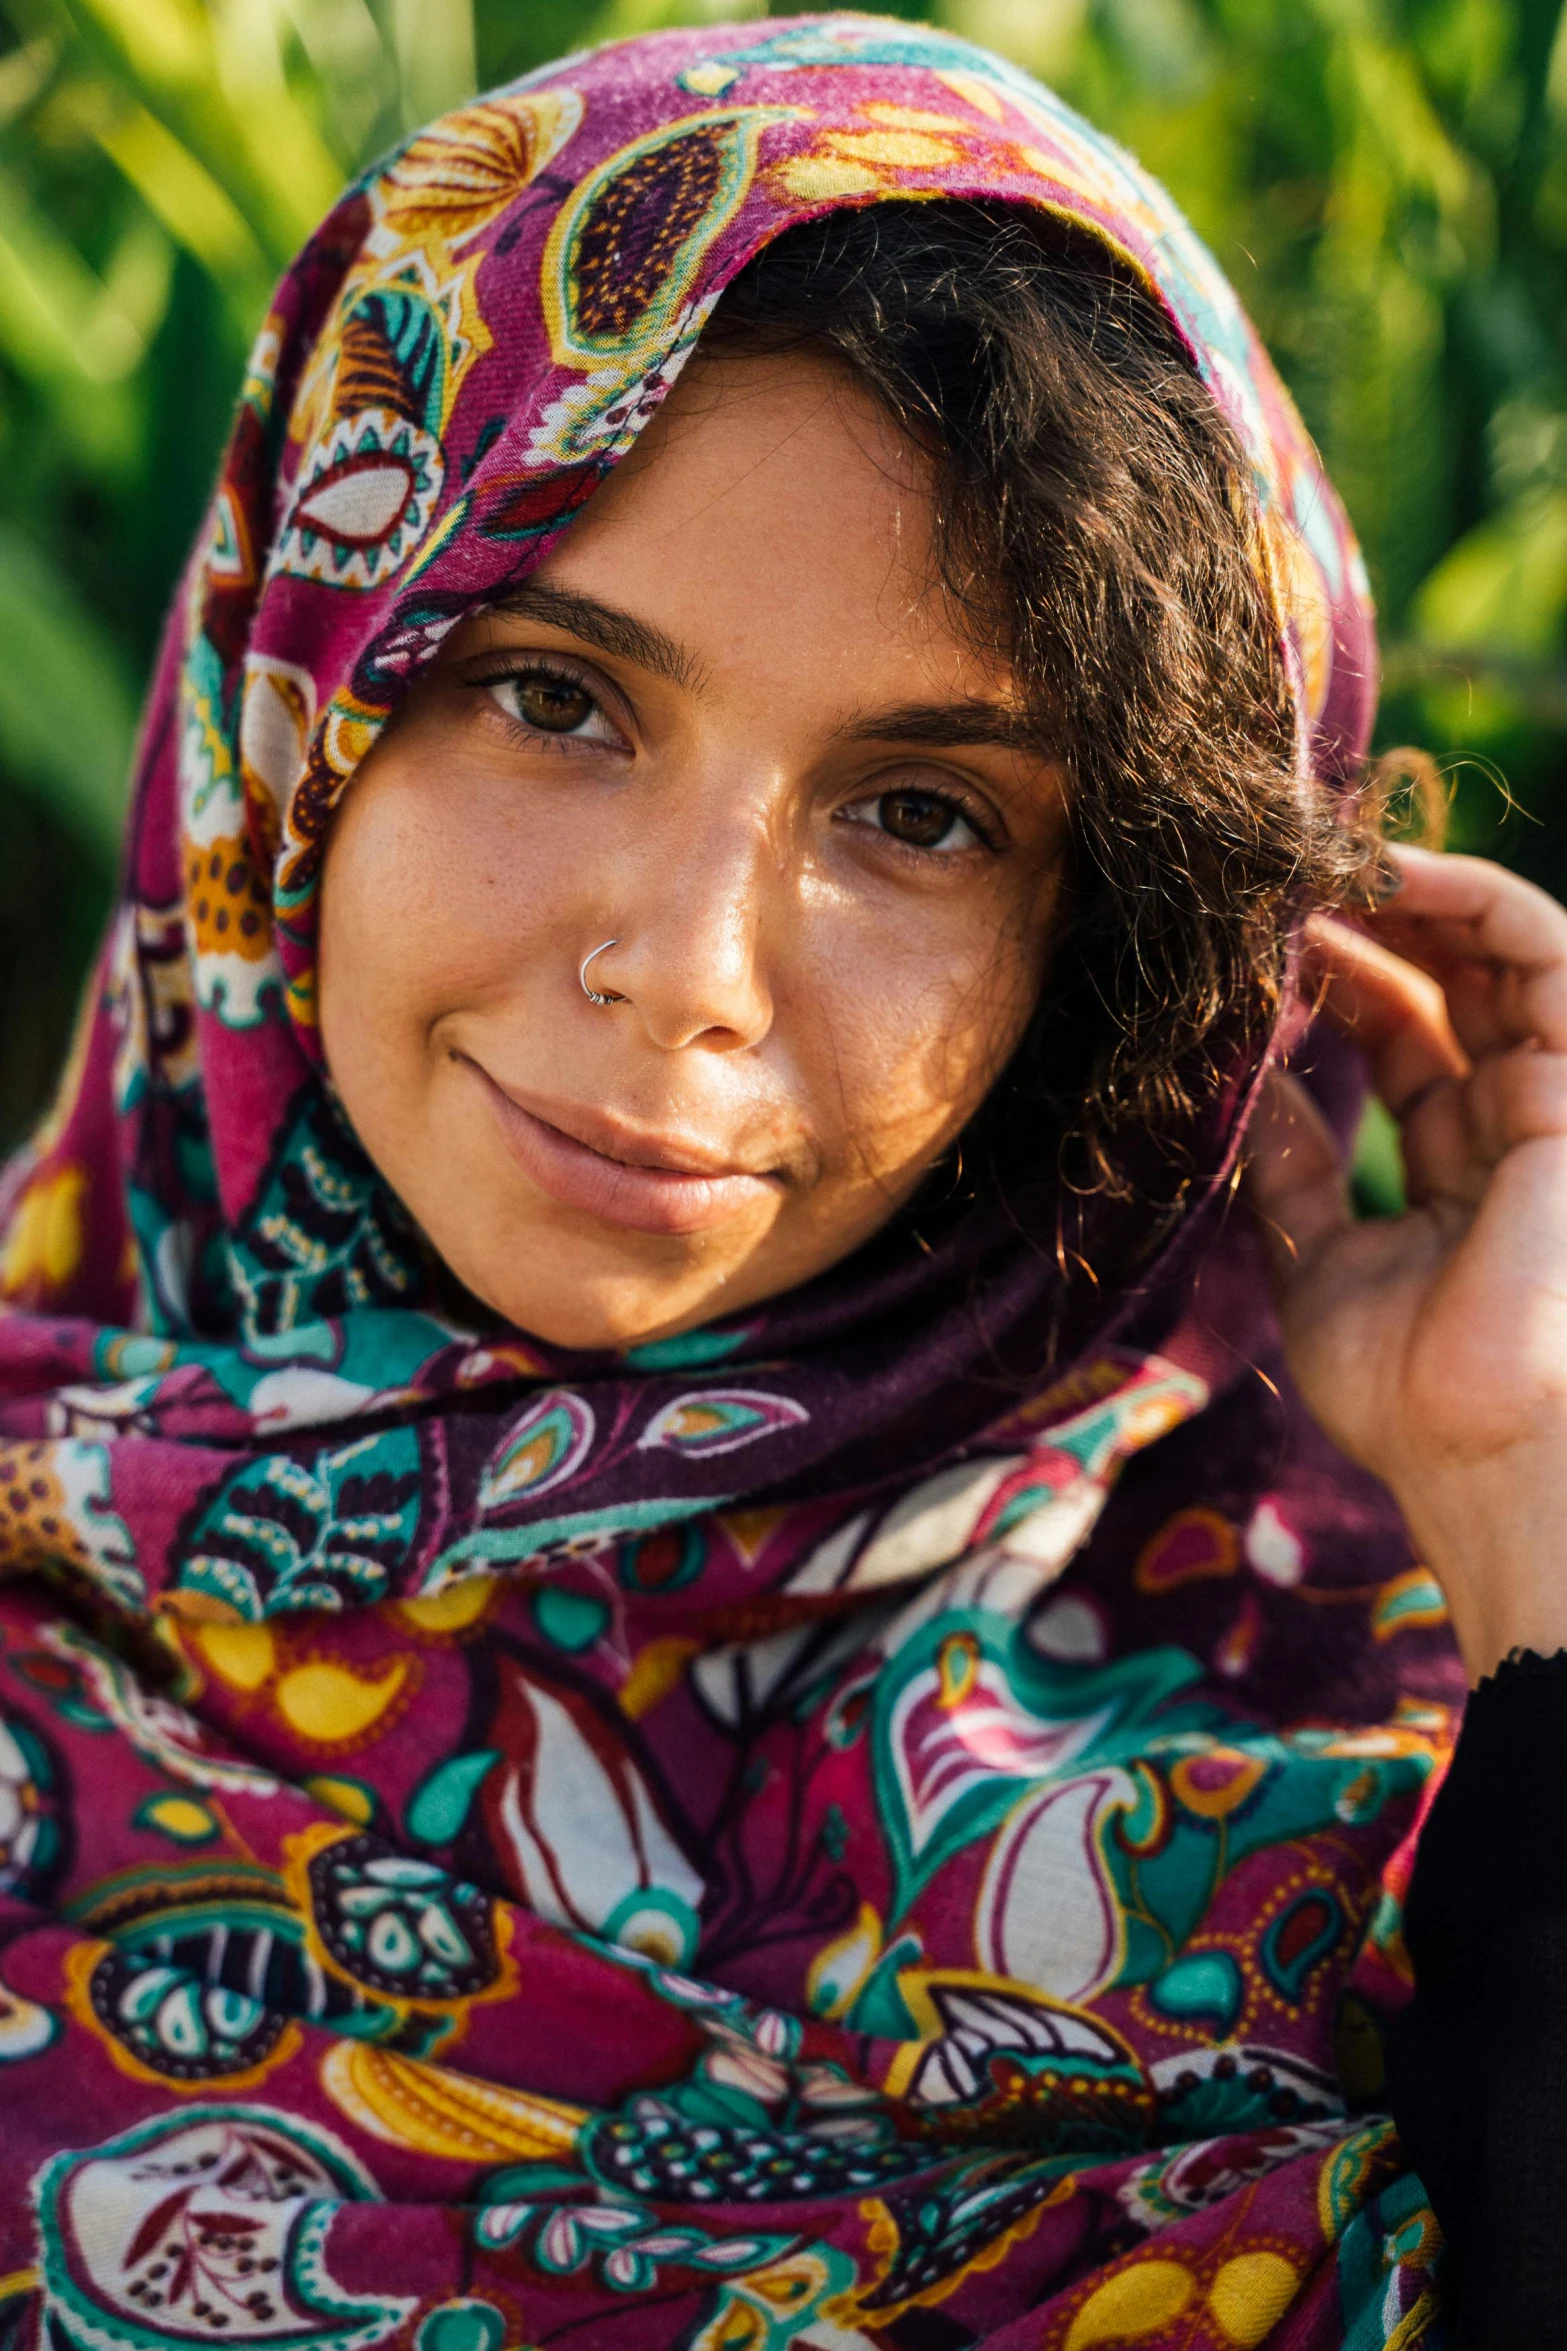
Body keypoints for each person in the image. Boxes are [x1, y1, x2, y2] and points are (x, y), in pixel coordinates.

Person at [0, 13, 1557, 2344]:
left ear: (1128, 952)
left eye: (921, 815)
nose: (688, 971)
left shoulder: (1422, 1789)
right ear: (308, 692)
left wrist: (1526, 1483)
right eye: (552, 692)